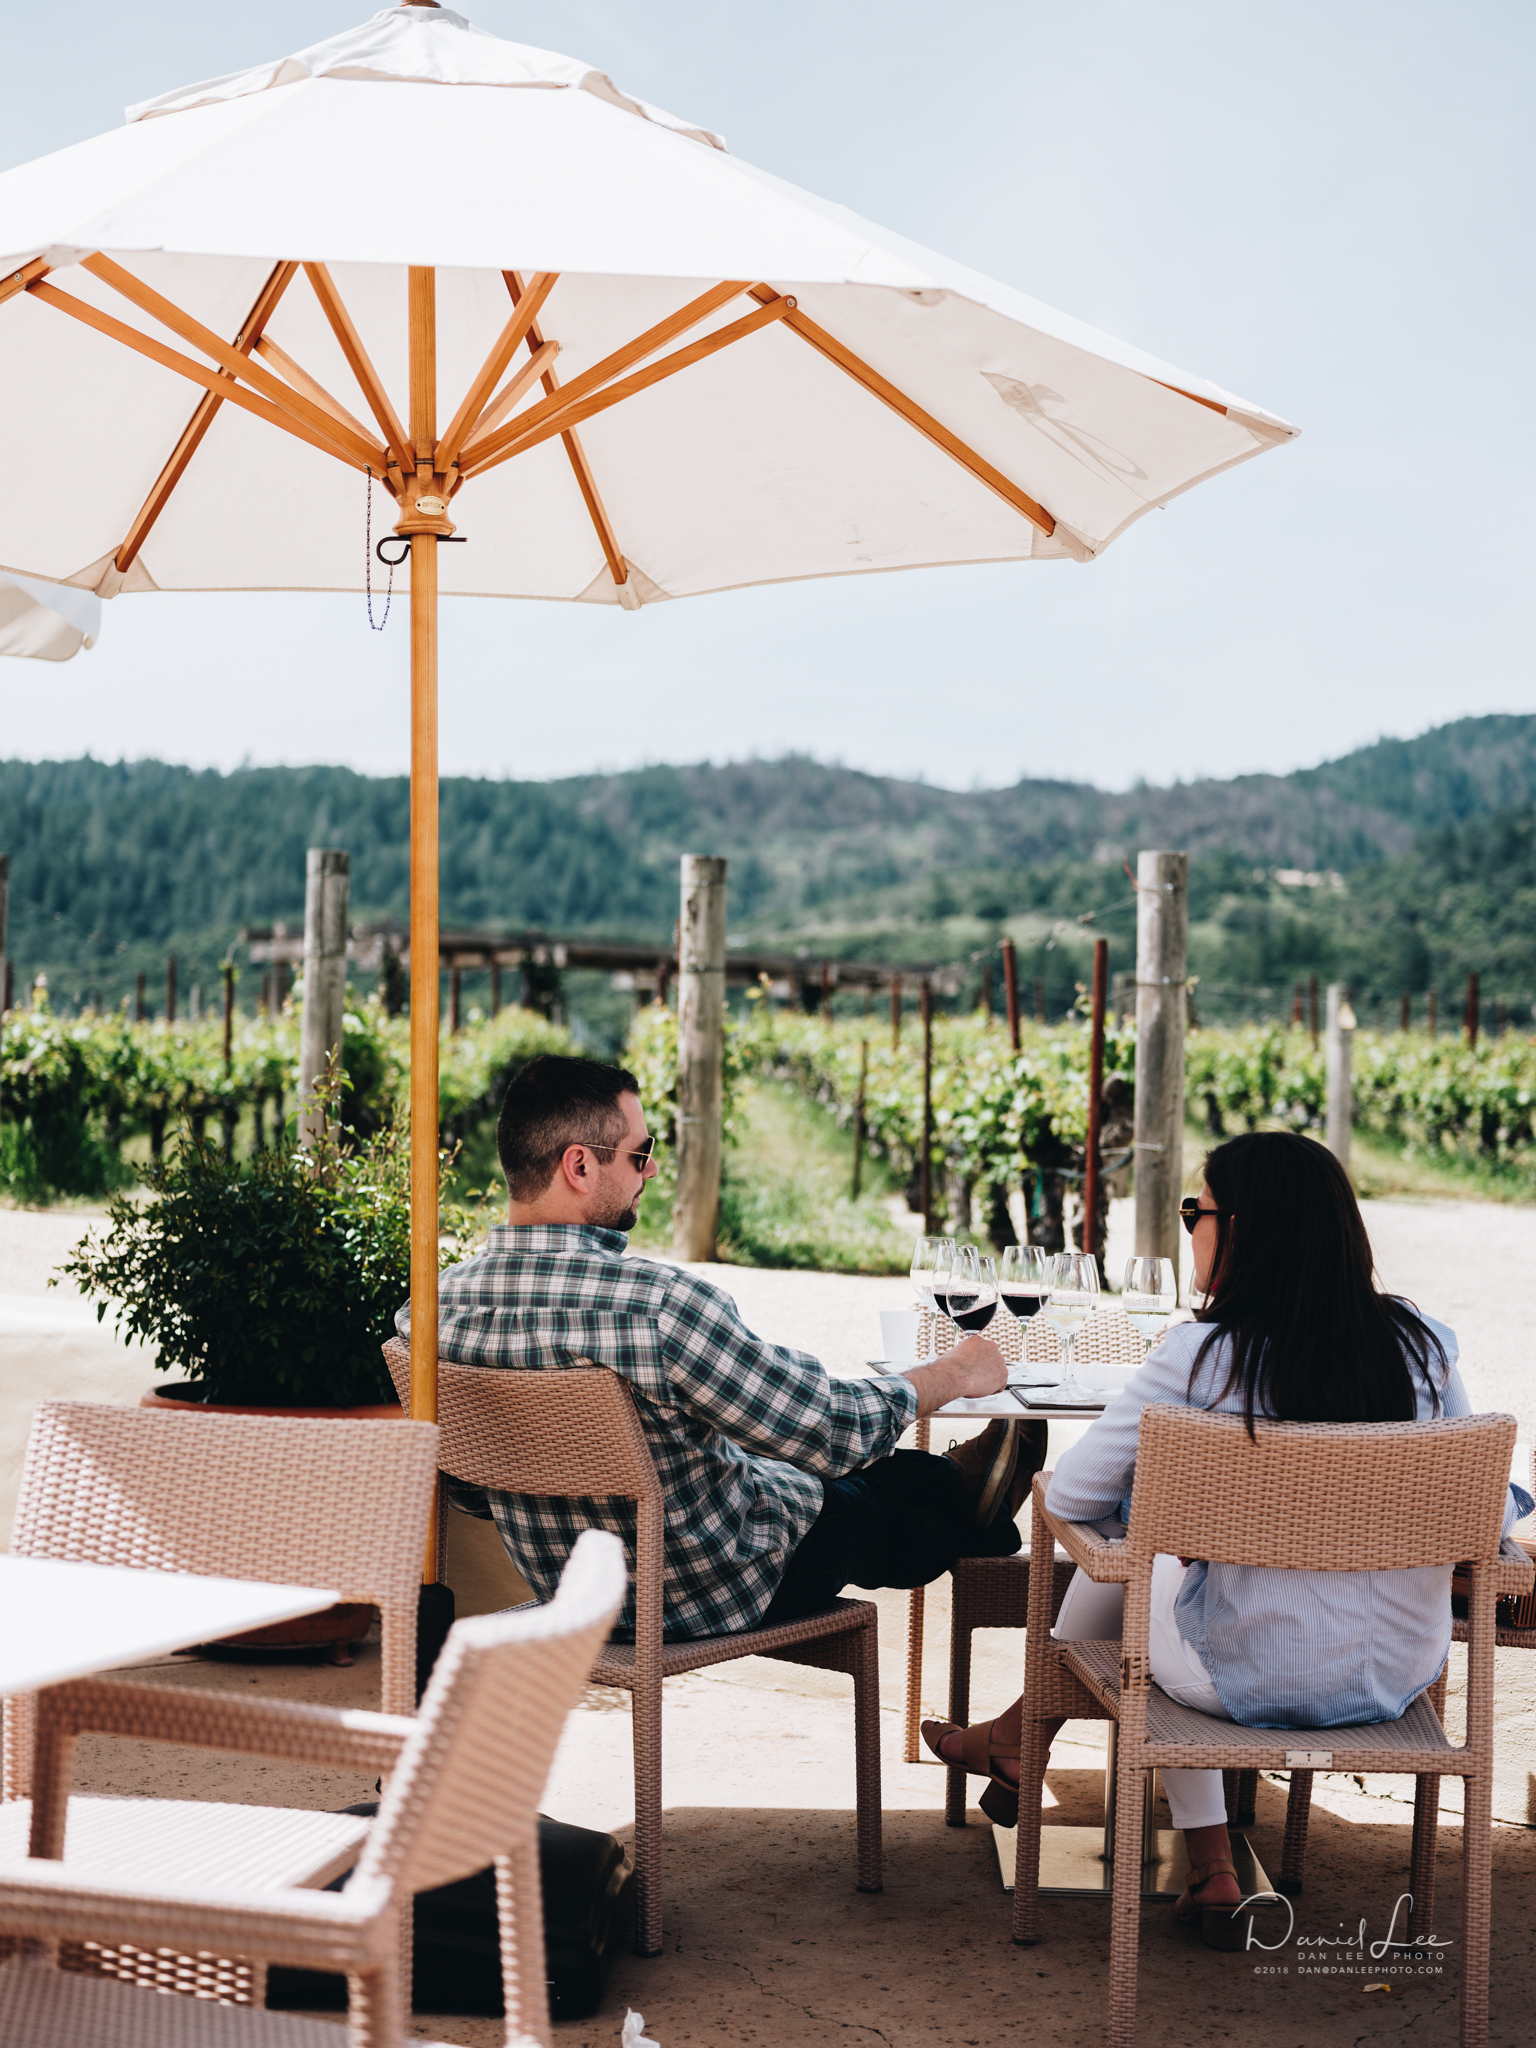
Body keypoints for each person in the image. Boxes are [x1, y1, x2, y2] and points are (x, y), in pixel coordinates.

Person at [923, 1129, 1533, 1944]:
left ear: (1239, 1230)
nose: (1188, 1227)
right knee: (1157, 1556)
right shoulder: (1421, 1346)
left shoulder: (1202, 1356)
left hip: (1234, 1683)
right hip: (1395, 1679)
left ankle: (1030, 1747)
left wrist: (1163, 1515)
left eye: (1192, 1211)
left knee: (1142, 1567)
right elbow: (1489, 1522)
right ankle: (1119, 1807)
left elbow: (1070, 1495)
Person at [396, 1053, 1046, 1643]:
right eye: (640, 1154)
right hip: (710, 1589)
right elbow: (825, 1428)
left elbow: (472, 1492)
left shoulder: (428, 1314)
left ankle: (960, 1482)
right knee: (864, 1506)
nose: (650, 1170)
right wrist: (954, 1372)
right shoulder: (655, 1305)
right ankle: (974, 1506)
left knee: (830, 1468)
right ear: (580, 1165)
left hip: (568, 1589)